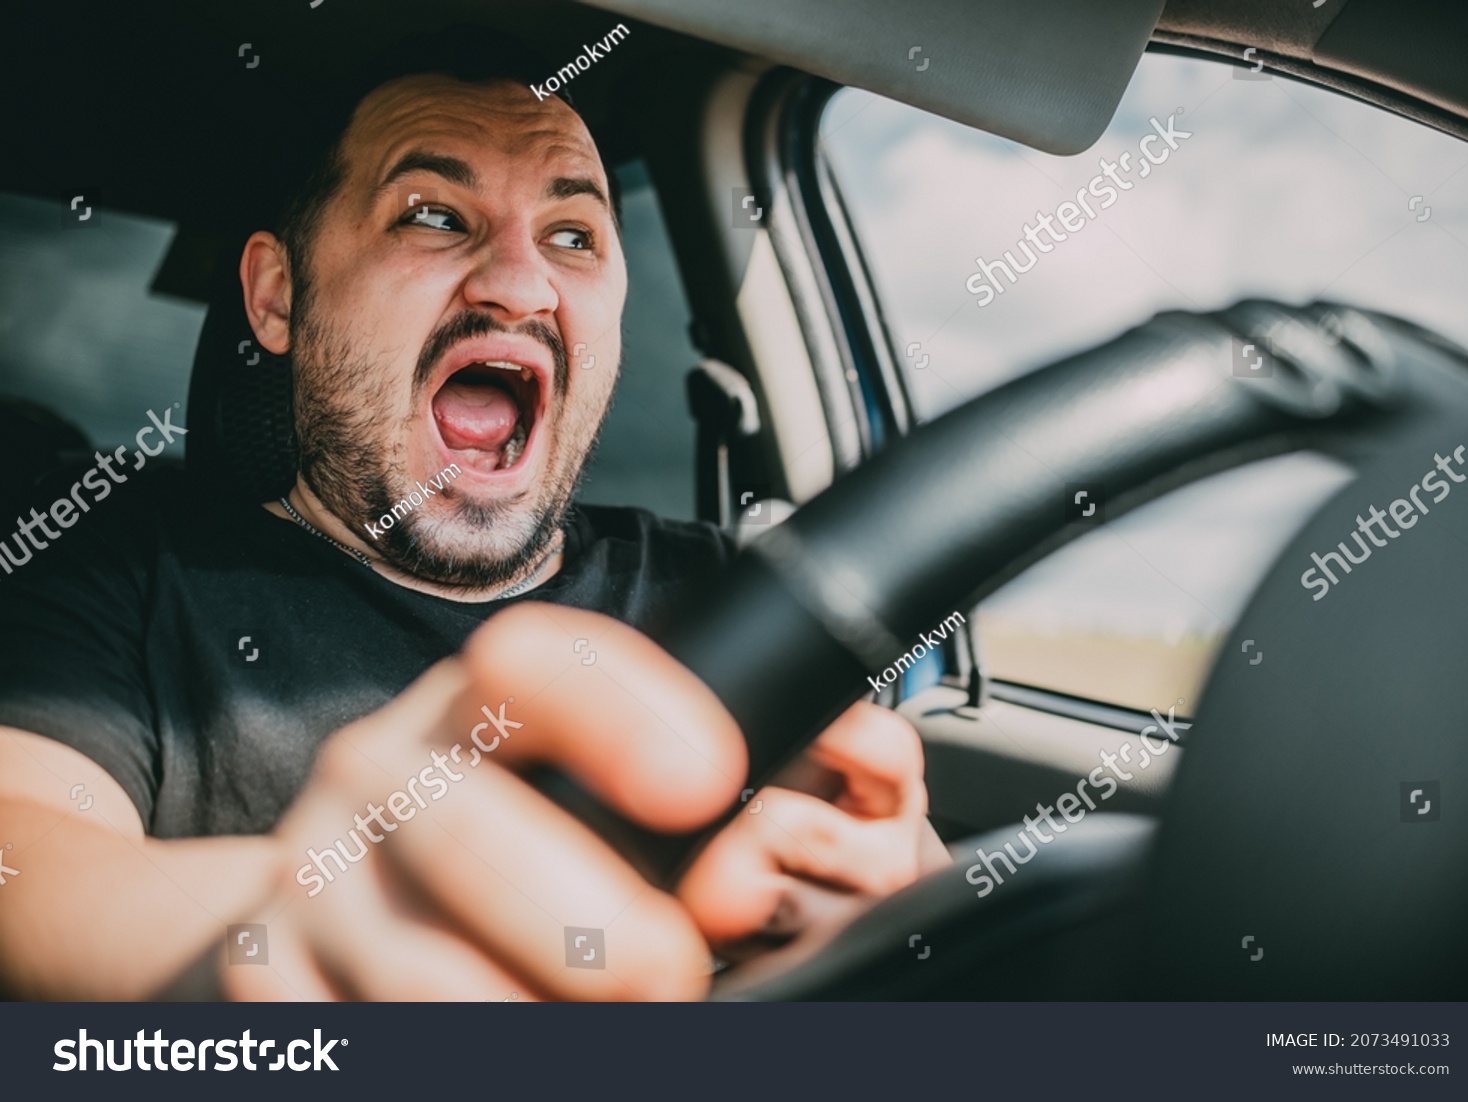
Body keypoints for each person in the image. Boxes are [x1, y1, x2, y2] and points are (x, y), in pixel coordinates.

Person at [0, 30, 949, 1001]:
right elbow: (28, 860)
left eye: (573, 235)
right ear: (278, 296)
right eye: (432, 215)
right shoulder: (112, 565)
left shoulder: (722, 593)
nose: (521, 284)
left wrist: (886, 908)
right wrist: (285, 936)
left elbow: (905, 875)